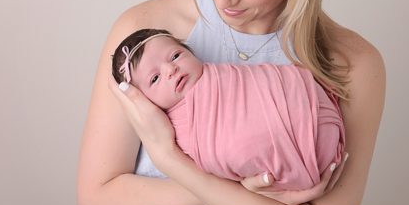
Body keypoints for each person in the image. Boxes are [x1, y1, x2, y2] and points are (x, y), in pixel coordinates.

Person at [77, 0, 385, 205]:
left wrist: (174, 163)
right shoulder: (142, 38)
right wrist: (240, 190)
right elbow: (98, 204)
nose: (224, 0)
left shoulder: (351, 65)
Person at [112, 29, 345, 191]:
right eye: (154, 78)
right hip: (285, 169)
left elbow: (262, 80)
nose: (171, 69)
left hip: (316, 118)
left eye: (175, 55)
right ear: (142, 100)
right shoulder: (177, 127)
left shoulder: (225, 75)